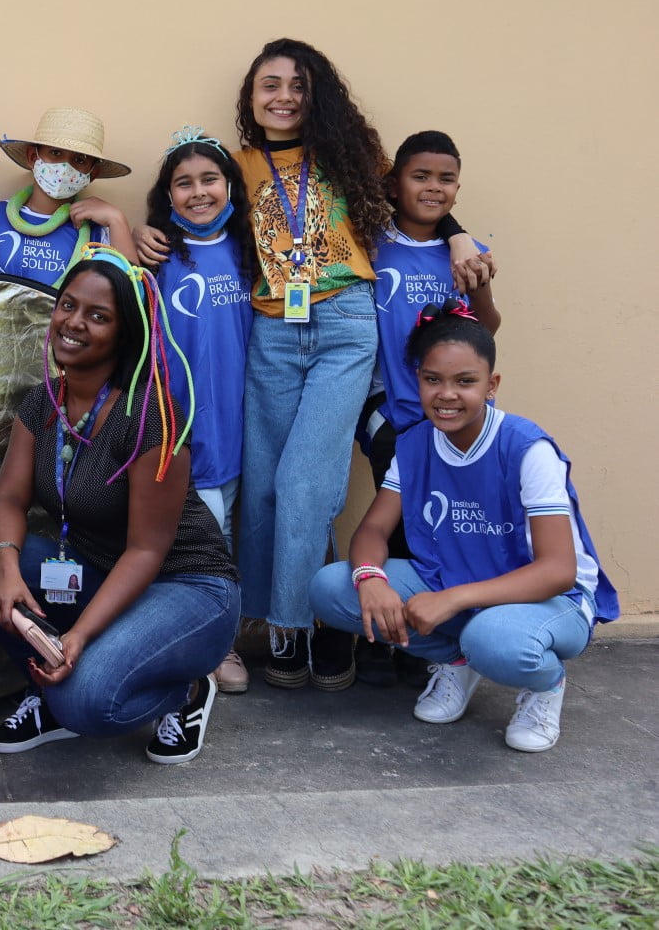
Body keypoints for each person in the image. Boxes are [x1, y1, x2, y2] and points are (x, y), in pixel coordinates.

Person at [131, 39, 490, 693]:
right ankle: (279, 625)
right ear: (251, 97)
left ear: (315, 93)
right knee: (266, 489)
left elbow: (421, 197)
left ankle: (305, 622)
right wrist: (135, 229)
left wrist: (458, 233)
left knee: (305, 484)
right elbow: (194, 213)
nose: (284, 96)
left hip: (344, 326)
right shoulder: (237, 166)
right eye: (270, 85)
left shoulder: (349, 155)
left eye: (297, 84)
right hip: (272, 329)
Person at [0, 247, 240, 766]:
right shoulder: (44, 402)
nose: (74, 322)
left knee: (86, 702)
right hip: (99, 573)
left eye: (98, 316)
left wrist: (80, 635)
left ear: (124, 333)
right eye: (68, 305)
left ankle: (186, 691)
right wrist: (6, 570)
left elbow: (147, 551)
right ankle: (45, 688)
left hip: (187, 586)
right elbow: (7, 497)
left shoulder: (151, 416)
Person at [310, 302, 617, 752]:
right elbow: (373, 530)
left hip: (552, 599)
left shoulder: (526, 447)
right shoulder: (415, 443)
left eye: (465, 381)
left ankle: (545, 684)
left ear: (492, 385)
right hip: (454, 579)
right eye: (433, 379)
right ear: (417, 381)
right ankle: (457, 663)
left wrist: (451, 599)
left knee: (491, 639)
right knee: (333, 587)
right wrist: (370, 578)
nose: (447, 394)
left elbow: (558, 570)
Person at [354, 131, 502, 685]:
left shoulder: (464, 251)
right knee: (396, 513)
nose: (433, 188)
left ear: (458, 188)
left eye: (446, 179)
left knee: (436, 520)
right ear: (395, 184)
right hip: (386, 406)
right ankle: (381, 633)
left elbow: (487, 327)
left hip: (448, 410)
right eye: (420, 176)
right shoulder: (370, 243)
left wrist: (477, 280)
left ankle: (425, 637)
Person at [142, 126, 255, 692]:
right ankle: (216, 644)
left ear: (230, 185)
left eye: (209, 178)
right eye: (183, 183)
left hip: (246, 420)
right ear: (168, 195)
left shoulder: (252, 251)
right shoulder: (156, 256)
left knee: (238, 529)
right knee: (208, 538)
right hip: (184, 423)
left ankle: (238, 632)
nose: (198, 192)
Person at [0, 108, 139, 289]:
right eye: (55, 153)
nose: (65, 168)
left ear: (92, 174)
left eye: (80, 160)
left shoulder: (97, 234)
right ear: (32, 157)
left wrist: (117, 220)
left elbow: (134, 295)